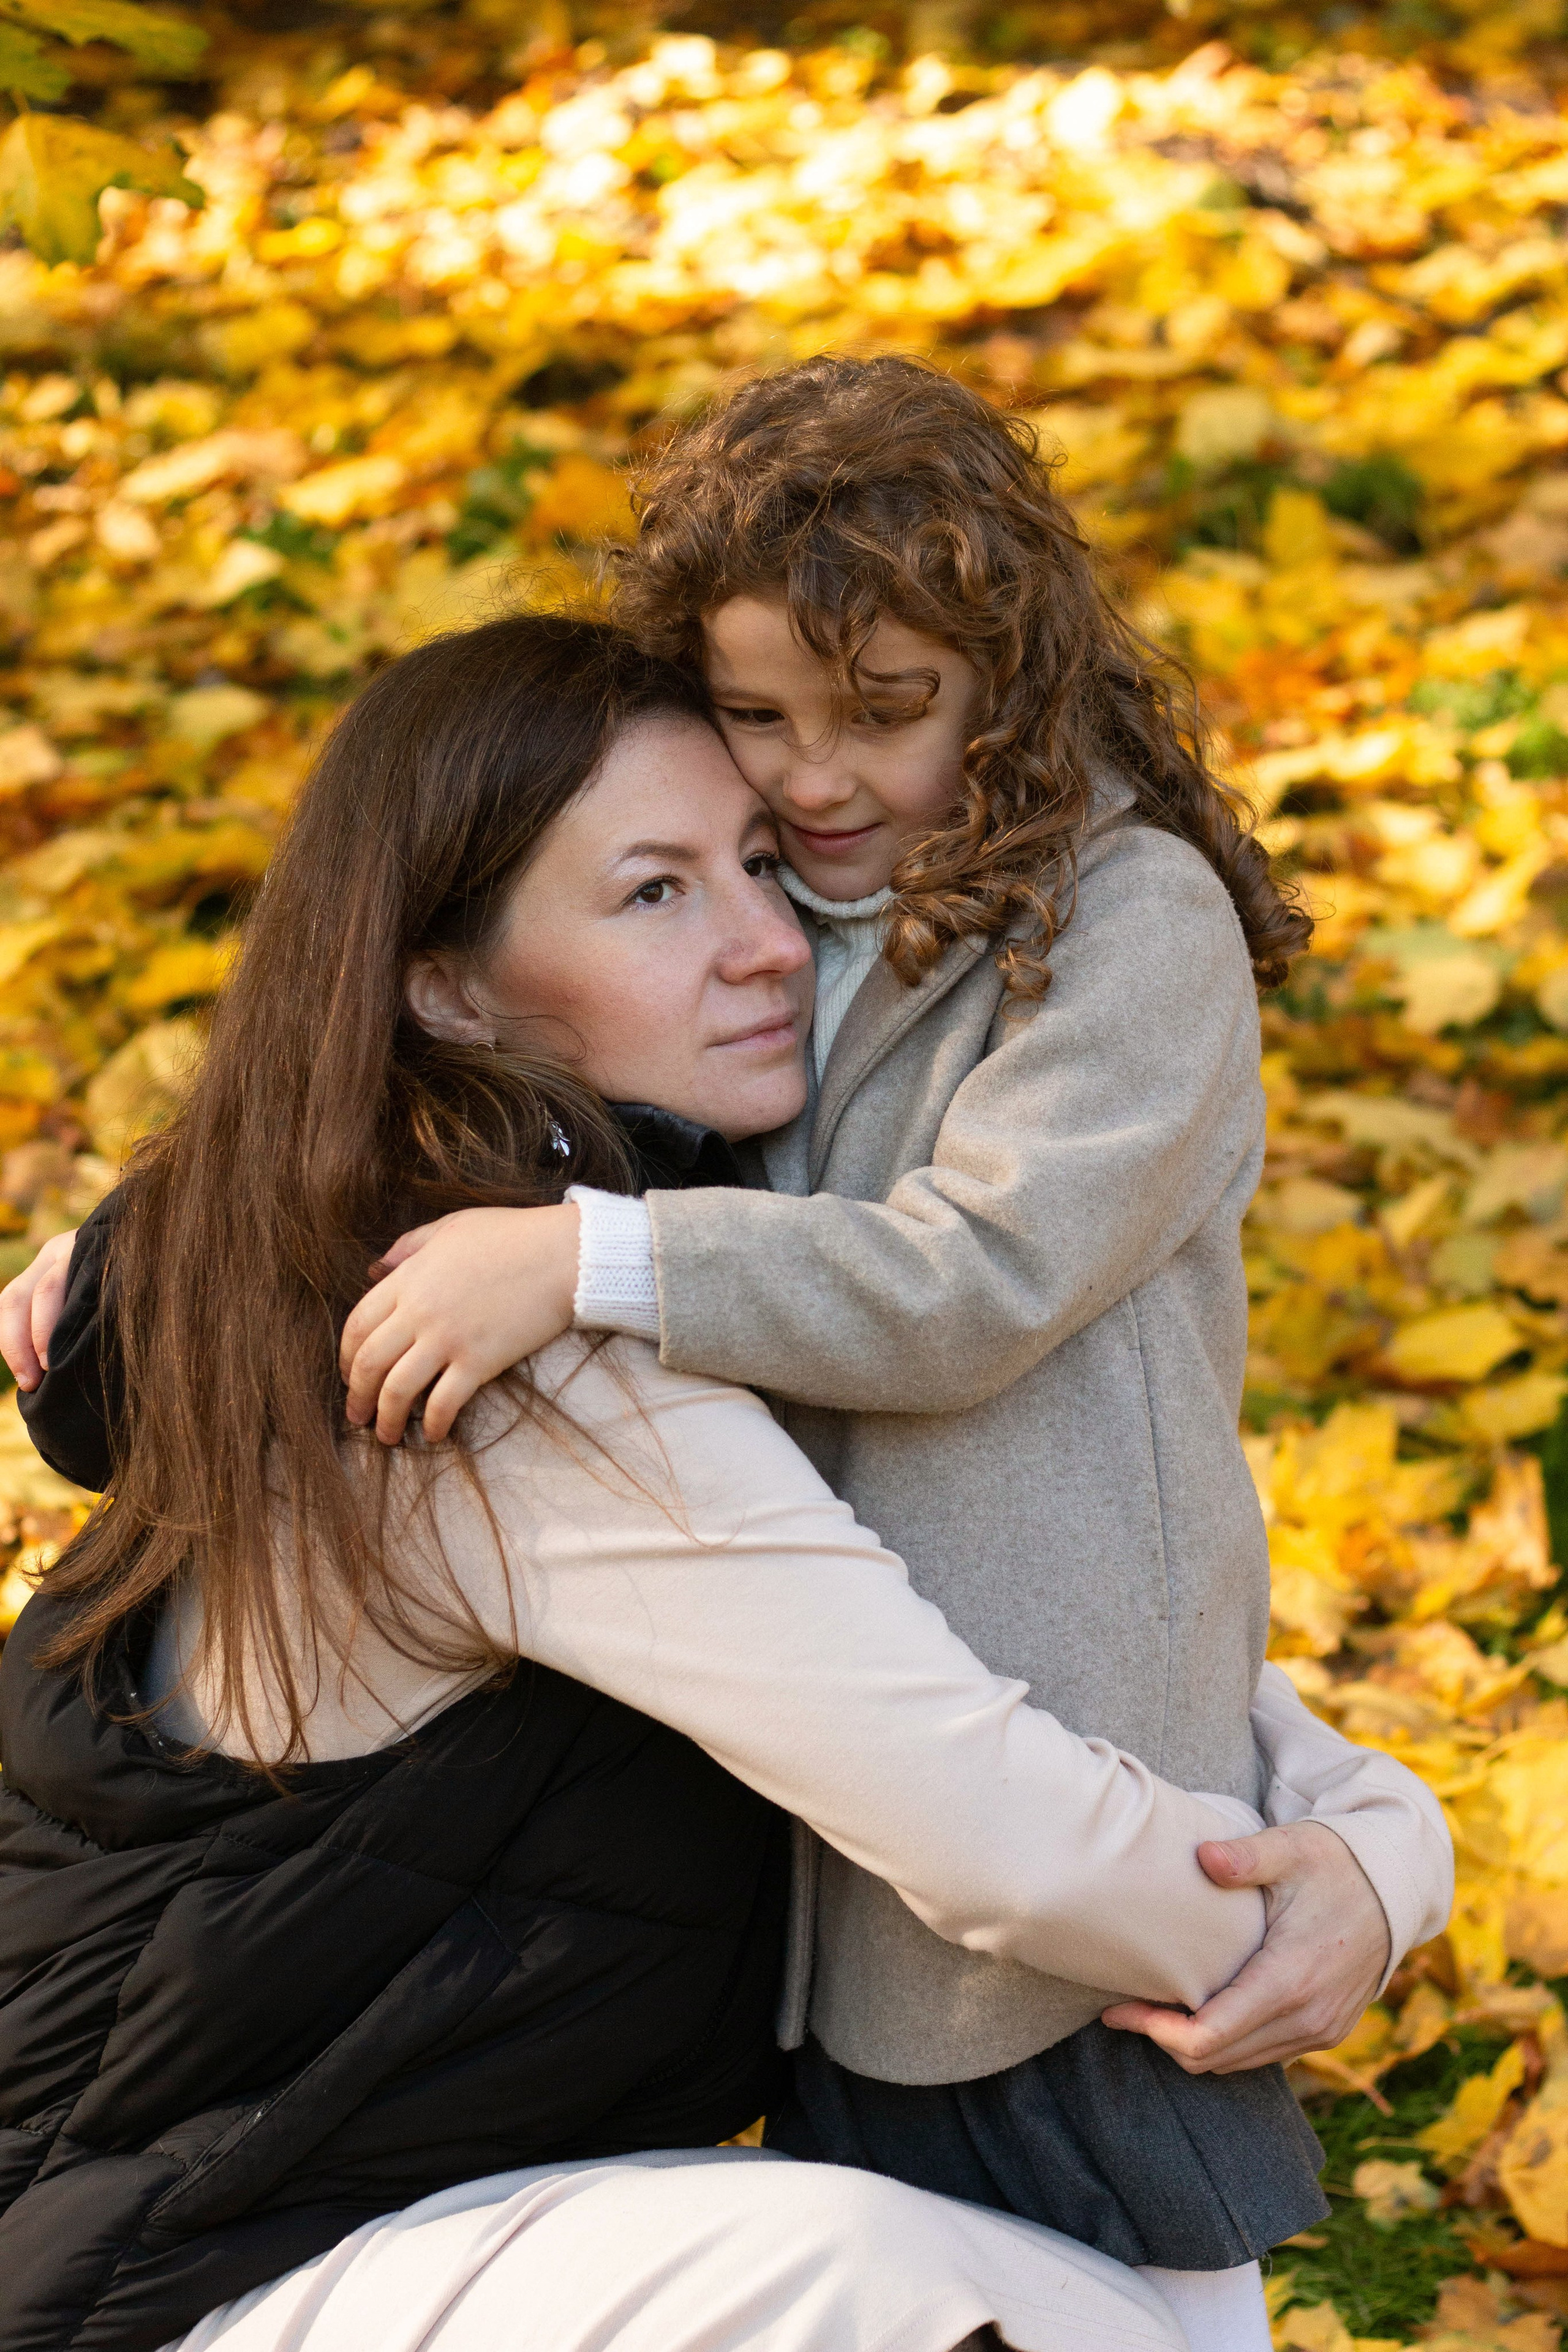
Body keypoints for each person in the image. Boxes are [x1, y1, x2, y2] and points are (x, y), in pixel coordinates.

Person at [0, 617, 1448, 2352]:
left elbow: (991, 1621)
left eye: (761, 863)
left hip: (307, 2222)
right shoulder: (498, 1366)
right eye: (655, 895)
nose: (769, 944)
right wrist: (1340, 1902)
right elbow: (1007, 1829)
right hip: (195, 2294)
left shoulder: (511, 1247)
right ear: (447, 987)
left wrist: (1383, 1838)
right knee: (966, 2310)